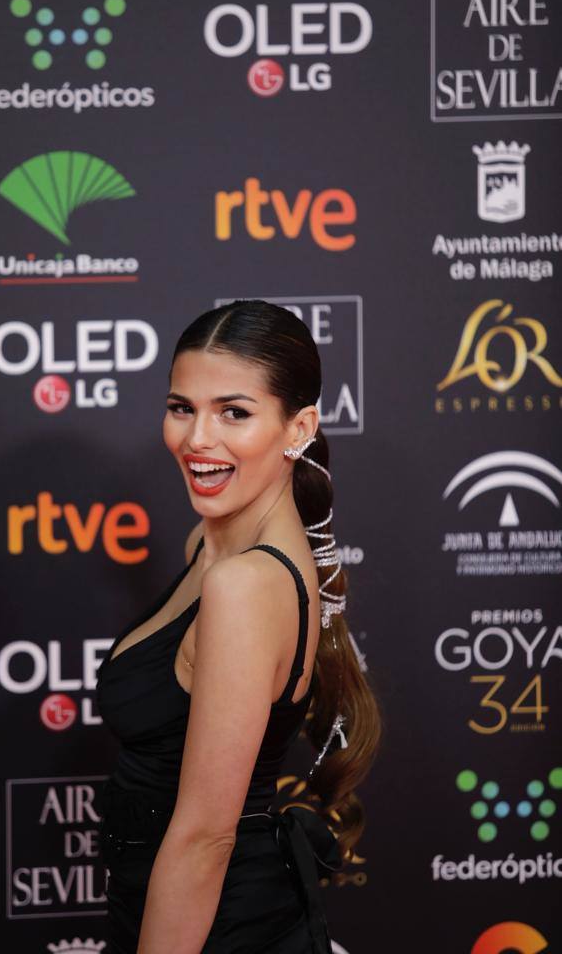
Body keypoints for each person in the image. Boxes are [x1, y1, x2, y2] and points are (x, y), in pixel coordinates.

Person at [96, 299, 382, 953]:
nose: (197, 439)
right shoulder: (210, 543)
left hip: (216, 929)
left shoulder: (244, 585)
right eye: (181, 408)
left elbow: (204, 838)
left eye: (234, 412)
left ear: (297, 426)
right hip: (168, 909)